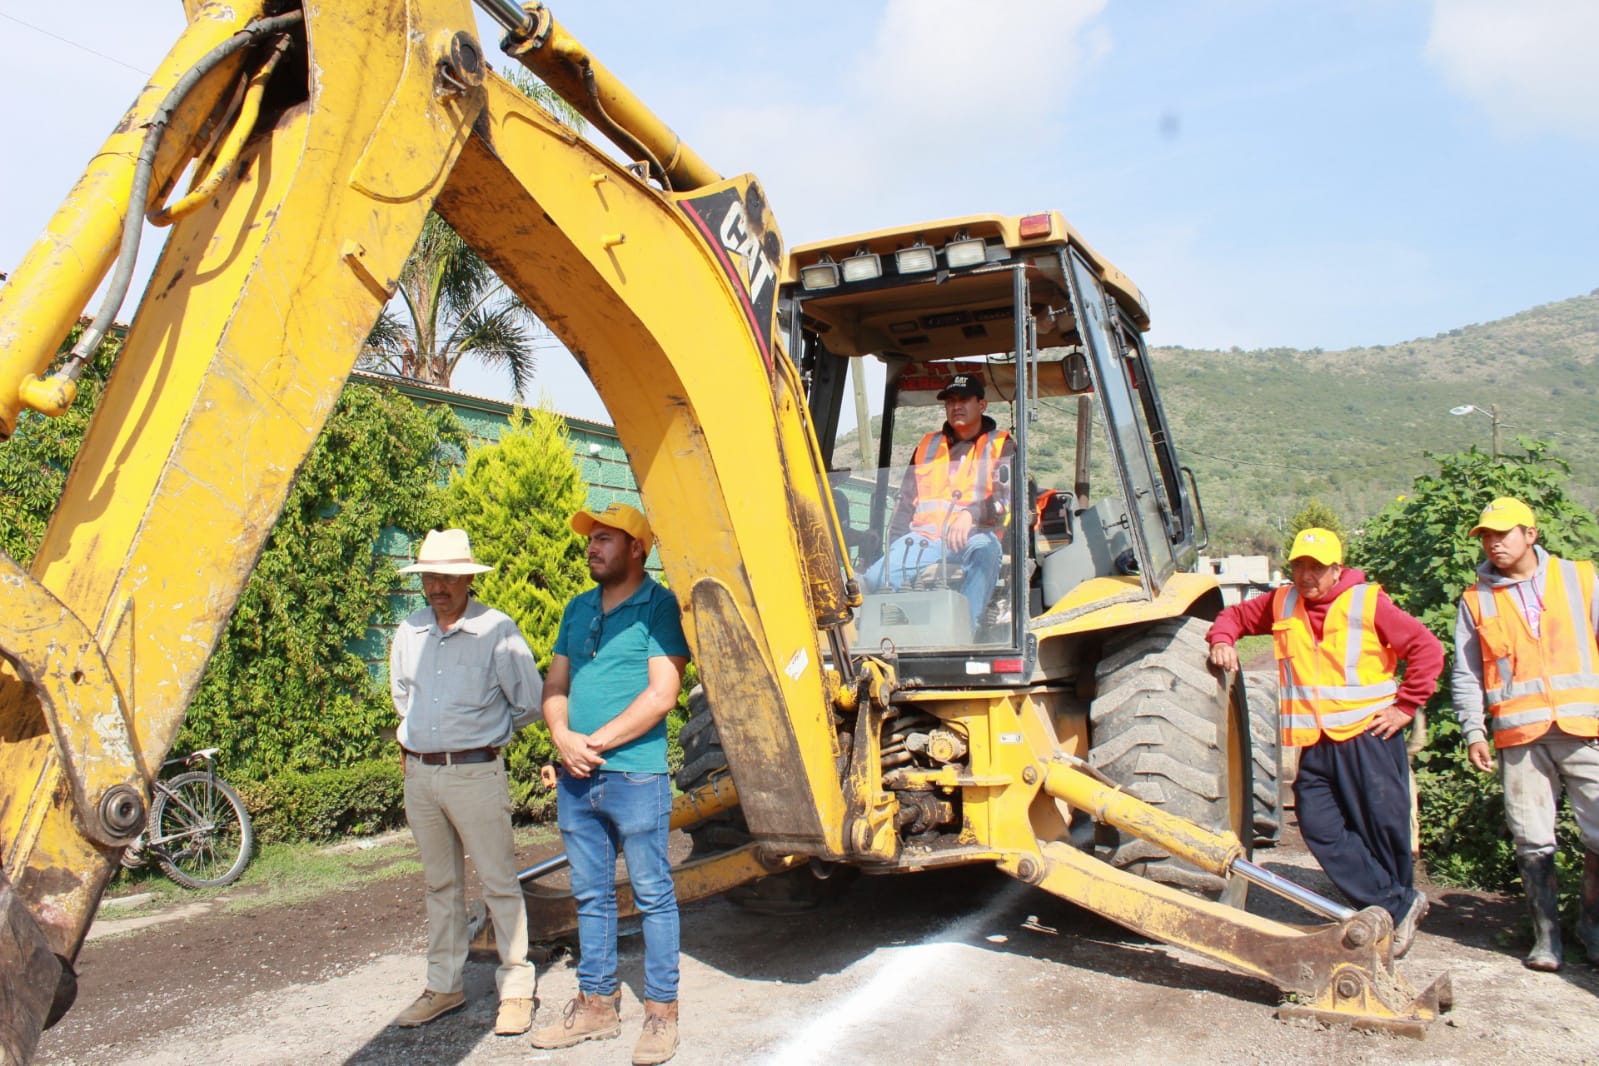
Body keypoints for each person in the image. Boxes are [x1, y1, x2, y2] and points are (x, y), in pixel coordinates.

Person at [1207, 527, 1442, 957]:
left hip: (1369, 735)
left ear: (1337, 569)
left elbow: (1427, 649)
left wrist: (1405, 707)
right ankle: (1399, 905)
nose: (1306, 575)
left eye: (1316, 568)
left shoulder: (1368, 602)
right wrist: (1222, 639)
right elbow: (1234, 617)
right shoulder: (1282, 601)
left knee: (1383, 827)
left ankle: (1390, 915)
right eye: (1299, 566)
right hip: (1316, 743)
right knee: (1317, 825)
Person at [532, 503, 690, 1065]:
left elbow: (662, 694)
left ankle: (660, 1013)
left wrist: (590, 742)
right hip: (578, 776)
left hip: (635, 774)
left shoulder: (659, 606)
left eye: (605, 539)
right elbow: (554, 683)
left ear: (637, 548)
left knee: (652, 893)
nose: (592, 547)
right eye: (591, 539)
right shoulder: (577, 609)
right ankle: (596, 1004)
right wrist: (562, 736)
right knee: (591, 894)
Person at [388, 528, 543, 1034]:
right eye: (430, 576)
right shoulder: (409, 631)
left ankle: (517, 987)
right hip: (421, 776)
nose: (438, 586)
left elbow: (531, 702)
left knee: (499, 881)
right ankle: (444, 987)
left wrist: (487, 735)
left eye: (448, 576)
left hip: (476, 771)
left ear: (467, 579)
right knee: (440, 884)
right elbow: (402, 697)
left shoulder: (497, 630)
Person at [1452, 496, 1599, 972]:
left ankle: (1592, 928)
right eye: (1487, 536)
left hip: (1585, 729)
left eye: (1504, 533)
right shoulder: (1476, 599)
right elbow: (1468, 674)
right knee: (1532, 839)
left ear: (1530, 534)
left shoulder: (1579, 578)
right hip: (1520, 738)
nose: (1494, 543)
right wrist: (1474, 729)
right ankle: (1546, 939)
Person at [859, 373, 1014, 632]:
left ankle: (964, 631)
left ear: (982, 405)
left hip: (975, 536)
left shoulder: (1002, 445)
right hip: (924, 539)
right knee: (876, 579)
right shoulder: (927, 446)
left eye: (964, 400)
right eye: (950, 401)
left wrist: (970, 514)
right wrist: (889, 549)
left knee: (986, 551)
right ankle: (896, 635)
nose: (956, 406)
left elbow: (1005, 501)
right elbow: (905, 505)